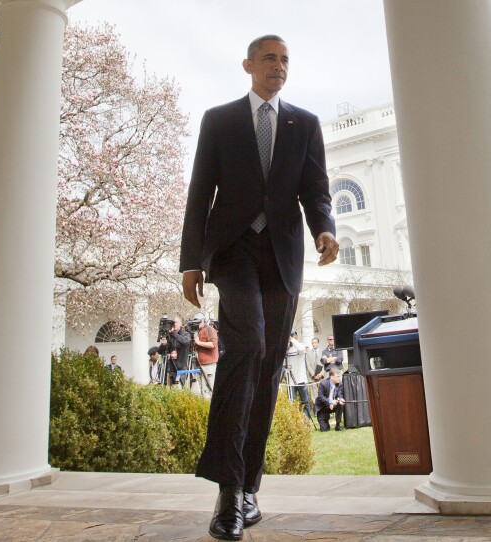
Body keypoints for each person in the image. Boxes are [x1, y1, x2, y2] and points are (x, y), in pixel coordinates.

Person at [178, 34, 338, 541]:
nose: (279, 66)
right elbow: (200, 190)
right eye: (270, 57)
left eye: (286, 59)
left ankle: (249, 488)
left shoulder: (304, 124)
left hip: (282, 258)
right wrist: (190, 262)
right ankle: (227, 492)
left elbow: (316, 191)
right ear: (248, 64)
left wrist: (325, 229)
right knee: (245, 346)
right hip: (232, 251)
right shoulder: (219, 120)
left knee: (268, 367)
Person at [285, 332, 312, 421]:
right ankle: (294, 421)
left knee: (305, 401)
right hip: (291, 380)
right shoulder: (287, 349)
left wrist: (292, 339)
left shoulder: (300, 346)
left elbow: (301, 349)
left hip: (300, 379)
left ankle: (306, 421)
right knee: (291, 402)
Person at [193, 313, 219, 391]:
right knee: (202, 389)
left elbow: (213, 344)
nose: (197, 324)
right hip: (200, 364)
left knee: (210, 388)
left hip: (209, 364)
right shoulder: (198, 331)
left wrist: (199, 342)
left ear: (203, 321)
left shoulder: (209, 329)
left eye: (199, 322)